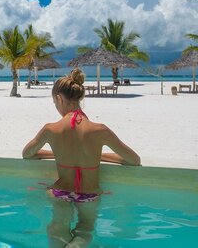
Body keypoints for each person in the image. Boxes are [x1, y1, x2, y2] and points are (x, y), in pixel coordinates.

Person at [22, 68, 140, 247]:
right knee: (85, 230)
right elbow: (133, 160)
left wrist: (57, 154)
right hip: (88, 194)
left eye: (55, 103)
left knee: (56, 228)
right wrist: (100, 157)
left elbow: (27, 153)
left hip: (60, 193)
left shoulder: (50, 129)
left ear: (59, 99)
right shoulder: (100, 130)